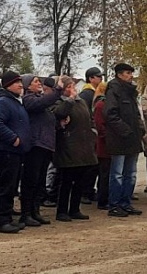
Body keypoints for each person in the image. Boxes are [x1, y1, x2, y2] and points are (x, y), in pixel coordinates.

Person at [52, 76, 98, 221]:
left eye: (73, 86)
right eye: (68, 87)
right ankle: (62, 211)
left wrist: (93, 131)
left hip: (84, 145)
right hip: (68, 146)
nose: (73, 89)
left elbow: (89, 118)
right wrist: (70, 99)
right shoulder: (59, 102)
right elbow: (60, 113)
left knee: (80, 180)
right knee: (66, 181)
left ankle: (75, 209)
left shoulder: (82, 102)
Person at [0, 71, 30, 234]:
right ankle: (2, 220)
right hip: (6, 150)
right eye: (16, 82)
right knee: (5, 186)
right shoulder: (3, 102)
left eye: (21, 82)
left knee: (11, 186)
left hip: (16, 152)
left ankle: (7, 218)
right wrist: (14, 139)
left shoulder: (15, 101)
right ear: (7, 85)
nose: (20, 85)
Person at [20, 74, 63, 226]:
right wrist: (58, 90)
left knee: (39, 181)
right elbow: (42, 103)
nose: (39, 83)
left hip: (45, 145)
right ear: (27, 85)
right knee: (31, 180)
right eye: (35, 81)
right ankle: (26, 213)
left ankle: (35, 211)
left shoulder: (39, 99)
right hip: (35, 145)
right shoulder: (28, 99)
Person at [105, 63, 144, 217]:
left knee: (131, 174)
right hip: (119, 140)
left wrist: (141, 130)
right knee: (117, 174)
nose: (131, 75)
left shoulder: (131, 92)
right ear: (119, 74)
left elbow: (137, 114)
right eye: (128, 73)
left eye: (131, 73)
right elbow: (110, 114)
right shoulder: (114, 90)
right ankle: (114, 205)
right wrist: (125, 131)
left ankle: (126, 203)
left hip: (133, 139)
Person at [78, 67, 104, 204]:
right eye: (98, 77)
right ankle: (84, 192)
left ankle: (89, 190)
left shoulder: (95, 93)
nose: (101, 79)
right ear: (91, 79)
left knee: (95, 165)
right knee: (90, 165)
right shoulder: (87, 95)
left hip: (94, 134)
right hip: (90, 134)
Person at [92, 82, 110, 210]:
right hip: (104, 145)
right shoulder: (100, 105)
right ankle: (102, 200)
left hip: (109, 144)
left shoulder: (104, 104)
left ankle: (105, 197)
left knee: (107, 173)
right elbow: (100, 126)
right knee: (104, 173)